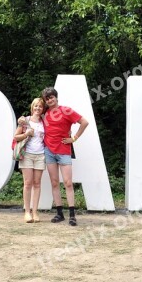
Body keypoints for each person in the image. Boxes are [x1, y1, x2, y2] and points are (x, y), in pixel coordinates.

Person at [21, 87, 89, 226]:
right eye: (47, 98)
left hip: (64, 151)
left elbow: (84, 122)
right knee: (54, 183)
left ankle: (72, 215)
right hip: (49, 151)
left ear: (56, 97)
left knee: (68, 183)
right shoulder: (44, 114)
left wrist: (74, 138)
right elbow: (30, 118)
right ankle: (59, 213)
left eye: (51, 97)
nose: (50, 100)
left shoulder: (66, 110)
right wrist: (21, 119)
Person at [13, 98, 47, 223]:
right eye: (36, 106)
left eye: (40, 107)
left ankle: (35, 211)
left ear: (43, 109)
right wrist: (26, 133)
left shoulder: (44, 122)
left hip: (40, 155)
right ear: (32, 107)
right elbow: (16, 137)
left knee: (37, 184)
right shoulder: (25, 120)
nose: (38, 108)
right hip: (27, 154)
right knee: (28, 183)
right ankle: (27, 212)